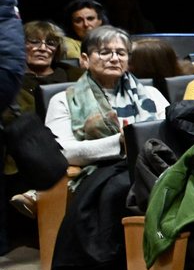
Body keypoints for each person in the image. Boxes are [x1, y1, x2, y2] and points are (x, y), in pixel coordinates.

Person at [45, 26, 170, 167]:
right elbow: (62, 152)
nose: (115, 59)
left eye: (121, 53)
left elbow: (169, 136)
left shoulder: (151, 94)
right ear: (85, 60)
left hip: (153, 166)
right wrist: (120, 141)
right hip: (100, 172)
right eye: (105, 53)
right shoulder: (63, 100)